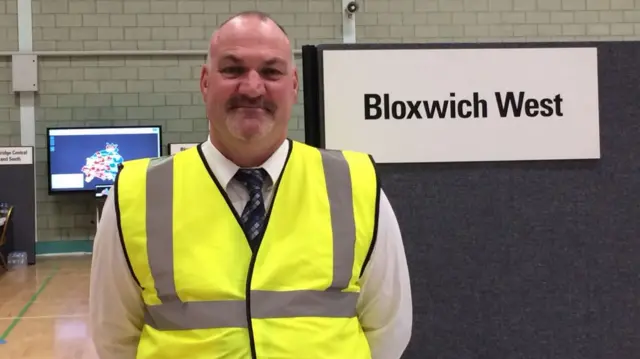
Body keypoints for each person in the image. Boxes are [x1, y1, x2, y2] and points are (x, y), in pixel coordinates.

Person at [89, 11, 412, 359]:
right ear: (205, 82)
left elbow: (388, 329)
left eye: (271, 71)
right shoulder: (136, 192)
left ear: (293, 85)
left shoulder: (354, 184)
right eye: (233, 69)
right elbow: (114, 337)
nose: (252, 87)